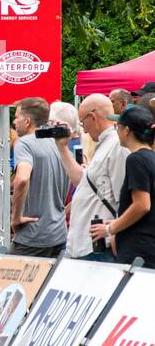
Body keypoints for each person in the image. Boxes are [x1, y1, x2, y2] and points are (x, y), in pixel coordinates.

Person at [52, 94, 126, 262]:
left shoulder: (116, 145)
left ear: (93, 117)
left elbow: (124, 197)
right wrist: (62, 147)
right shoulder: (106, 144)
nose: (83, 129)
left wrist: (115, 233)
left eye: (83, 122)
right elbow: (82, 182)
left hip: (100, 246)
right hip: (88, 245)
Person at [89, 105, 155, 268]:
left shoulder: (136, 159)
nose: (115, 130)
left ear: (126, 130)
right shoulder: (150, 158)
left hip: (138, 249)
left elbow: (142, 205)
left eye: (117, 126)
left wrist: (111, 228)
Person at [10, 97, 69, 257]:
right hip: (58, 233)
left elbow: (22, 178)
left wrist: (16, 218)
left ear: (27, 121)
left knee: (7, 281)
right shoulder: (57, 143)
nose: (14, 122)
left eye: (16, 117)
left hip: (33, 235)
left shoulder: (24, 143)